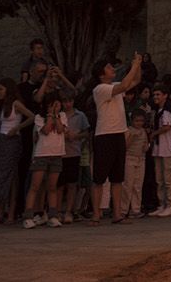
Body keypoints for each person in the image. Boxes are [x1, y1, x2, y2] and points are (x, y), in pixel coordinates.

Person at [89, 53, 143, 224]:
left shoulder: (114, 85)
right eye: (108, 67)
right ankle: (96, 214)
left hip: (119, 134)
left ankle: (117, 214)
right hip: (104, 136)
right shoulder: (101, 89)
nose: (112, 69)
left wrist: (138, 64)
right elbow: (126, 83)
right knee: (99, 178)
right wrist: (134, 64)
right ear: (101, 73)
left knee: (117, 178)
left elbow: (135, 81)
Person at [0, 79, 32, 225]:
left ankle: (11, 212)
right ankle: (0, 211)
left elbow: (31, 116)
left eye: (1, 89)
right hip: (1, 140)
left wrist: (16, 128)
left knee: (11, 176)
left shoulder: (15, 104)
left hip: (12, 141)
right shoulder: (1, 105)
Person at [25, 97, 66, 227]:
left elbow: (60, 129)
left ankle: (53, 215)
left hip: (56, 154)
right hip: (42, 154)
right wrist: (49, 116)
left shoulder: (63, 116)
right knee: (35, 186)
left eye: (57, 105)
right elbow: (46, 130)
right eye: (52, 105)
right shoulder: (38, 117)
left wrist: (56, 117)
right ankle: (29, 216)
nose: (55, 108)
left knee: (52, 186)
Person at [147, 86, 171, 217]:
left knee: (169, 178)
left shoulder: (168, 110)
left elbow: (167, 126)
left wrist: (154, 134)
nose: (156, 97)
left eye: (158, 94)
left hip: (168, 148)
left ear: (165, 95)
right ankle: (162, 204)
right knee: (159, 178)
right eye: (154, 95)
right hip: (158, 148)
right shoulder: (157, 110)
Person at [57, 92, 87, 223]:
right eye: (64, 101)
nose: (67, 104)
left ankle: (69, 211)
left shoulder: (80, 116)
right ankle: (57, 211)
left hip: (74, 151)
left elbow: (86, 132)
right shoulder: (58, 115)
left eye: (69, 101)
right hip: (59, 152)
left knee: (72, 183)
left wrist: (76, 136)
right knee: (59, 184)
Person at [121, 106, 150, 221]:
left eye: (141, 121)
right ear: (132, 121)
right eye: (137, 121)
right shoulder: (128, 131)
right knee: (128, 185)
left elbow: (146, 144)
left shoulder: (143, 131)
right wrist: (132, 138)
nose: (139, 123)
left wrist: (145, 147)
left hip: (141, 159)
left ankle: (135, 209)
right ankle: (123, 209)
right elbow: (125, 146)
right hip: (129, 158)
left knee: (138, 185)